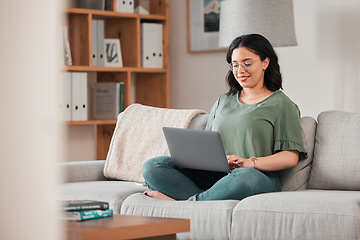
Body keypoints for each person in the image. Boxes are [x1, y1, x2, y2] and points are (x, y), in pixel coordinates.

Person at [142, 34, 307, 201]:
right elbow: (206, 144)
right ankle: (200, 201)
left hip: (255, 177)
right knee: (153, 166)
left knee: (246, 175)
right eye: (234, 65)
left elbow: (290, 157)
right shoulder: (223, 101)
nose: (240, 71)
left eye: (247, 63)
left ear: (265, 62)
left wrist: (250, 162)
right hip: (215, 176)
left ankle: (185, 204)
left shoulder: (282, 105)